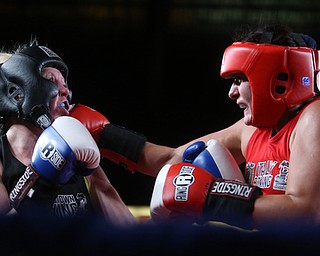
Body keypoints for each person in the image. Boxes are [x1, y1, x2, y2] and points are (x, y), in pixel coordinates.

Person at [118, 24, 320, 230]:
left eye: (240, 80)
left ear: (275, 78)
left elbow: (305, 212)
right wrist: (103, 136)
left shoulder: (313, 118)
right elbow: (172, 160)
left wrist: (213, 197)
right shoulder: (250, 131)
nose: (231, 93)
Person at [0, 41, 142, 227]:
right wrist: (42, 178)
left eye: (65, 84)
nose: (66, 91)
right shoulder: (2, 158)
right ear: (18, 93)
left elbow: (127, 233)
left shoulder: (79, 150)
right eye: (51, 79)